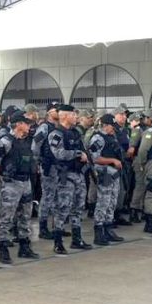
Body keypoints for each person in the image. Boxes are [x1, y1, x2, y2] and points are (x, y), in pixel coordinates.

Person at [0, 111, 40, 264]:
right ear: (18, 124)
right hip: (11, 183)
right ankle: (3, 248)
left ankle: (24, 246)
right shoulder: (5, 141)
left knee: (26, 215)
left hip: (26, 182)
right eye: (26, 123)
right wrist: (2, 178)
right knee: (6, 216)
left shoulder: (28, 141)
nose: (29, 126)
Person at [47, 104, 92, 254]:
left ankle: (76, 239)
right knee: (62, 209)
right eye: (73, 114)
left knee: (78, 208)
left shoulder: (75, 133)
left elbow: (85, 151)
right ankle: (58, 242)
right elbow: (58, 153)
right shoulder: (56, 134)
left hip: (78, 174)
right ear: (65, 116)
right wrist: (77, 154)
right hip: (65, 176)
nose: (76, 117)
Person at [87, 114, 125, 245]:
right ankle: (98, 231)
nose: (113, 129)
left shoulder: (111, 137)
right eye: (111, 126)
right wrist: (112, 160)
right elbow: (95, 158)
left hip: (113, 174)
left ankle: (108, 228)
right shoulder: (98, 138)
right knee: (103, 202)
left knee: (112, 202)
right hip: (104, 174)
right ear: (105, 125)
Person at [32, 102, 60, 240]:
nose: (58, 112)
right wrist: (37, 163)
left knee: (56, 198)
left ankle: (57, 227)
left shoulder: (58, 127)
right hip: (48, 166)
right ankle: (43, 228)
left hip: (58, 167)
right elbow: (35, 146)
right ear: (49, 112)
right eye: (55, 110)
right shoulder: (44, 127)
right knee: (47, 197)